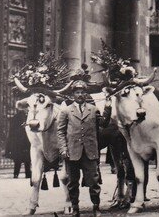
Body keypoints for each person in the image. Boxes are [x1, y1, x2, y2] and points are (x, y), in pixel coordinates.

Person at [57, 79, 112, 217]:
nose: (80, 95)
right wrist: (63, 149)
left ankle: (96, 207)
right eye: (77, 92)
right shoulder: (66, 111)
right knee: (72, 183)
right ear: (73, 94)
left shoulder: (93, 109)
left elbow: (104, 124)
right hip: (72, 152)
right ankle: (75, 208)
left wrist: (108, 107)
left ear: (86, 94)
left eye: (82, 92)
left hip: (90, 152)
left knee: (94, 182)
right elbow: (60, 132)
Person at [5, 105, 31, 179]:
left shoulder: (28, 116)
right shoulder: (17, 117)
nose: (27, 109)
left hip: (24, 140)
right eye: (26, 108)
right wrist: (22, 128)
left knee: (26, 159)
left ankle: (26, 173)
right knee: (20, 159)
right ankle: (18, 174)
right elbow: (12, 131)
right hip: (20, 141)